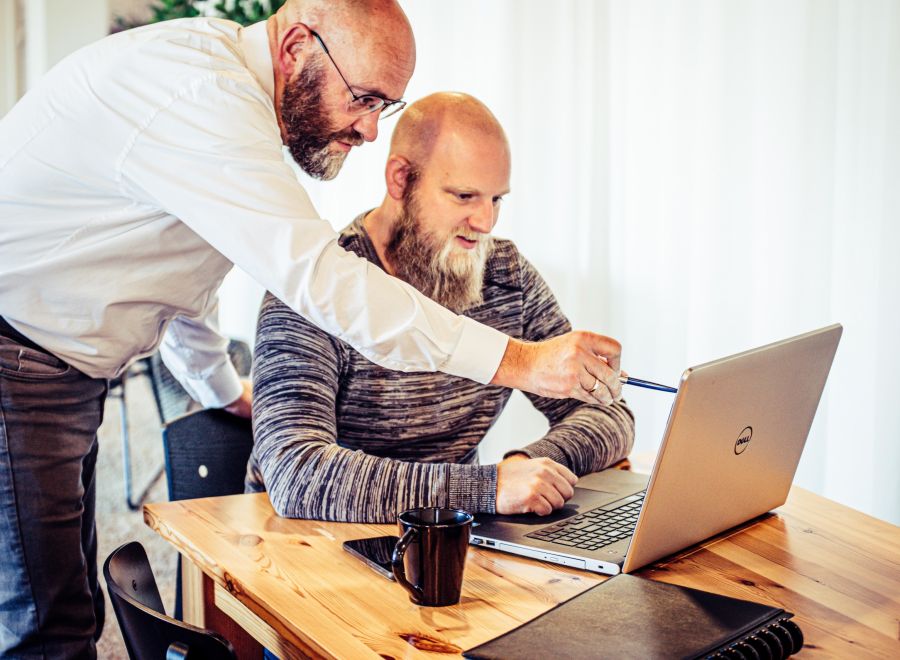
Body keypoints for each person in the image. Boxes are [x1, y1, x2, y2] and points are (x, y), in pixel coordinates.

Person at [0, 1, 623, 655]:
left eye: (386, 105)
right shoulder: (201, 99)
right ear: (298, 45)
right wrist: (517, 367)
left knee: (61, 604)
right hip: (21, 352)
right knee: (51, 626)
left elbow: (171, 281)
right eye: (364, 98)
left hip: (59, 362)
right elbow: (321, 285)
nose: (370, 129)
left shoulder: (227, 116)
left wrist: (220, 392)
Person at [246, 92, 635, 523]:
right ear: (400, 179)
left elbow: (607, 412)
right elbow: (296, 473)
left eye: (496, 199)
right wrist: (487, 487)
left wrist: (530, 465)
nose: (485, 223)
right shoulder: (312, 287)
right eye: (465, 196)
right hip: (303, 547)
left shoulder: (506, 275)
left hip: (451, 535)